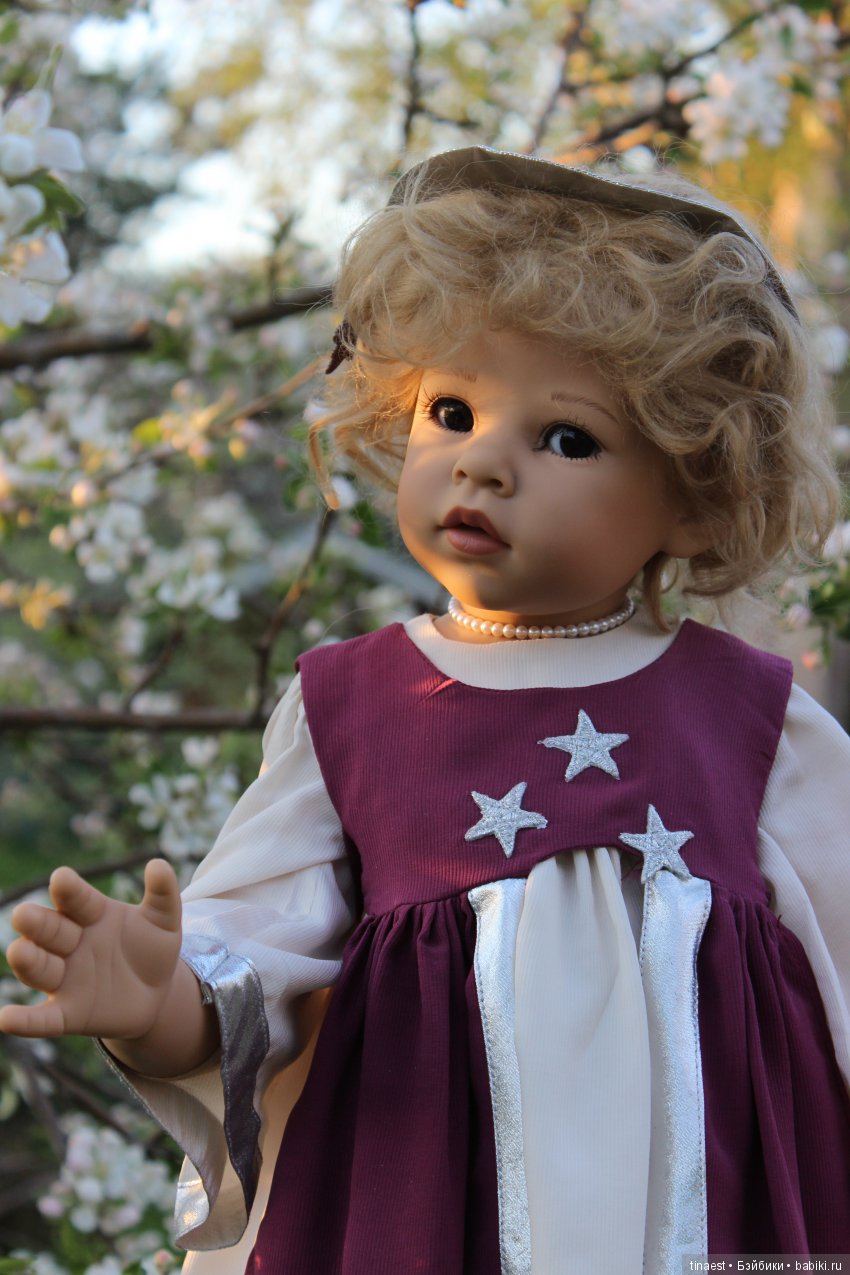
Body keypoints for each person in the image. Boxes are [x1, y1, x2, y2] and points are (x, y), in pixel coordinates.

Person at [2, 147, 849, 1275]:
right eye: (452, 410)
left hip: (708, 1225)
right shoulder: (352, 707)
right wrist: (159, 1001)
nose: (482, 463)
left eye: (566, 437)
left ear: (696, 495)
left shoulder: (749, 718)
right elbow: (256, 957)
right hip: (415, 1224)